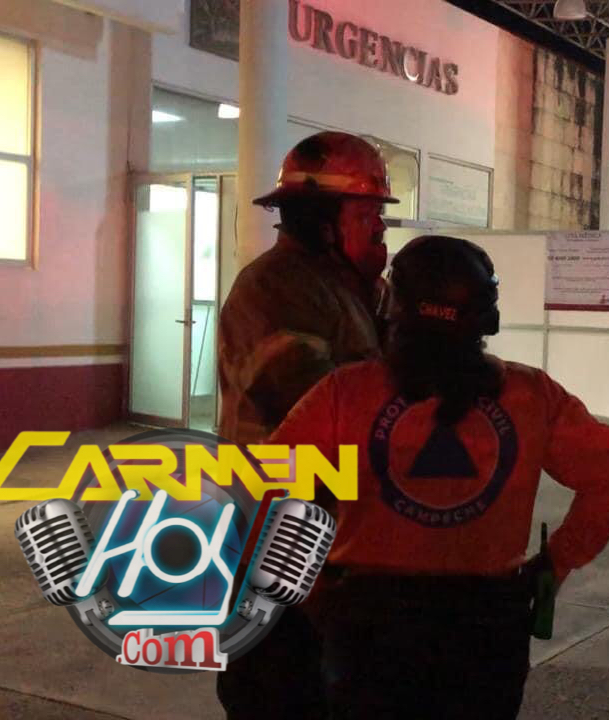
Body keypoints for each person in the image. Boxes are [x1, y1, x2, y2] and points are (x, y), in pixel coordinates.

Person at [269, 235, 609, 720]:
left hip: (369, 621)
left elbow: (268, 488)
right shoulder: (532, 396)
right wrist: (555, 563)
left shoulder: (345, 392)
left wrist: (309, 585)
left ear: (394, 310)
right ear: (486, 317)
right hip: (487, 626)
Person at [215, 131, 397, 720]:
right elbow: (315, 400)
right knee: (277, 689)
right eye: (368, 216)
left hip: (333, 528)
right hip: (276, 532)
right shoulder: (272, 288)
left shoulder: (352, 287)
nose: (380, 230)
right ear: (323, 221)